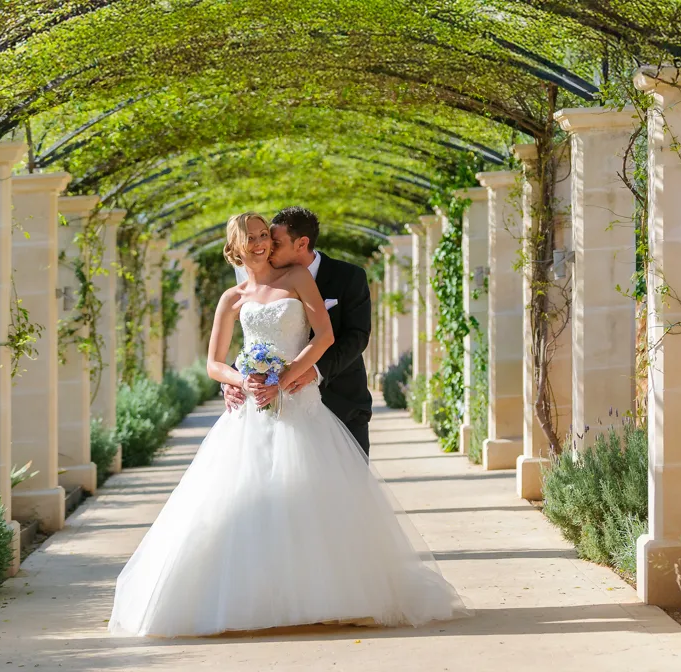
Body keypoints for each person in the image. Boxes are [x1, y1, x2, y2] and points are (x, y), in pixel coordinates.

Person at [107, 212, 469, 638]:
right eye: (252, 238)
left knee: (315, 500)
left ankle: (330, 597)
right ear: (234, 247)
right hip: (249, 413)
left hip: (301, 402)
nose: (261, 243)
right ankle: (257, 598)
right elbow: (213, 363)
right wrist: (242, 379)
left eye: (265, 236)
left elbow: (327, 337)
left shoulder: (298, 278)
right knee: (248, 501)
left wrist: (285, 378)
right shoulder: (232, 298)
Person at [223, 206, 374, 455]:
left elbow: (356, 337)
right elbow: (258, 336)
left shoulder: (349, 277)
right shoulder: (257, 287)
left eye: (275, 242)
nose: (267, 246)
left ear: (301, 243)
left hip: (341, 400)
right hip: (270, 405)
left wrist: (312, 371)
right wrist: (235, 381)